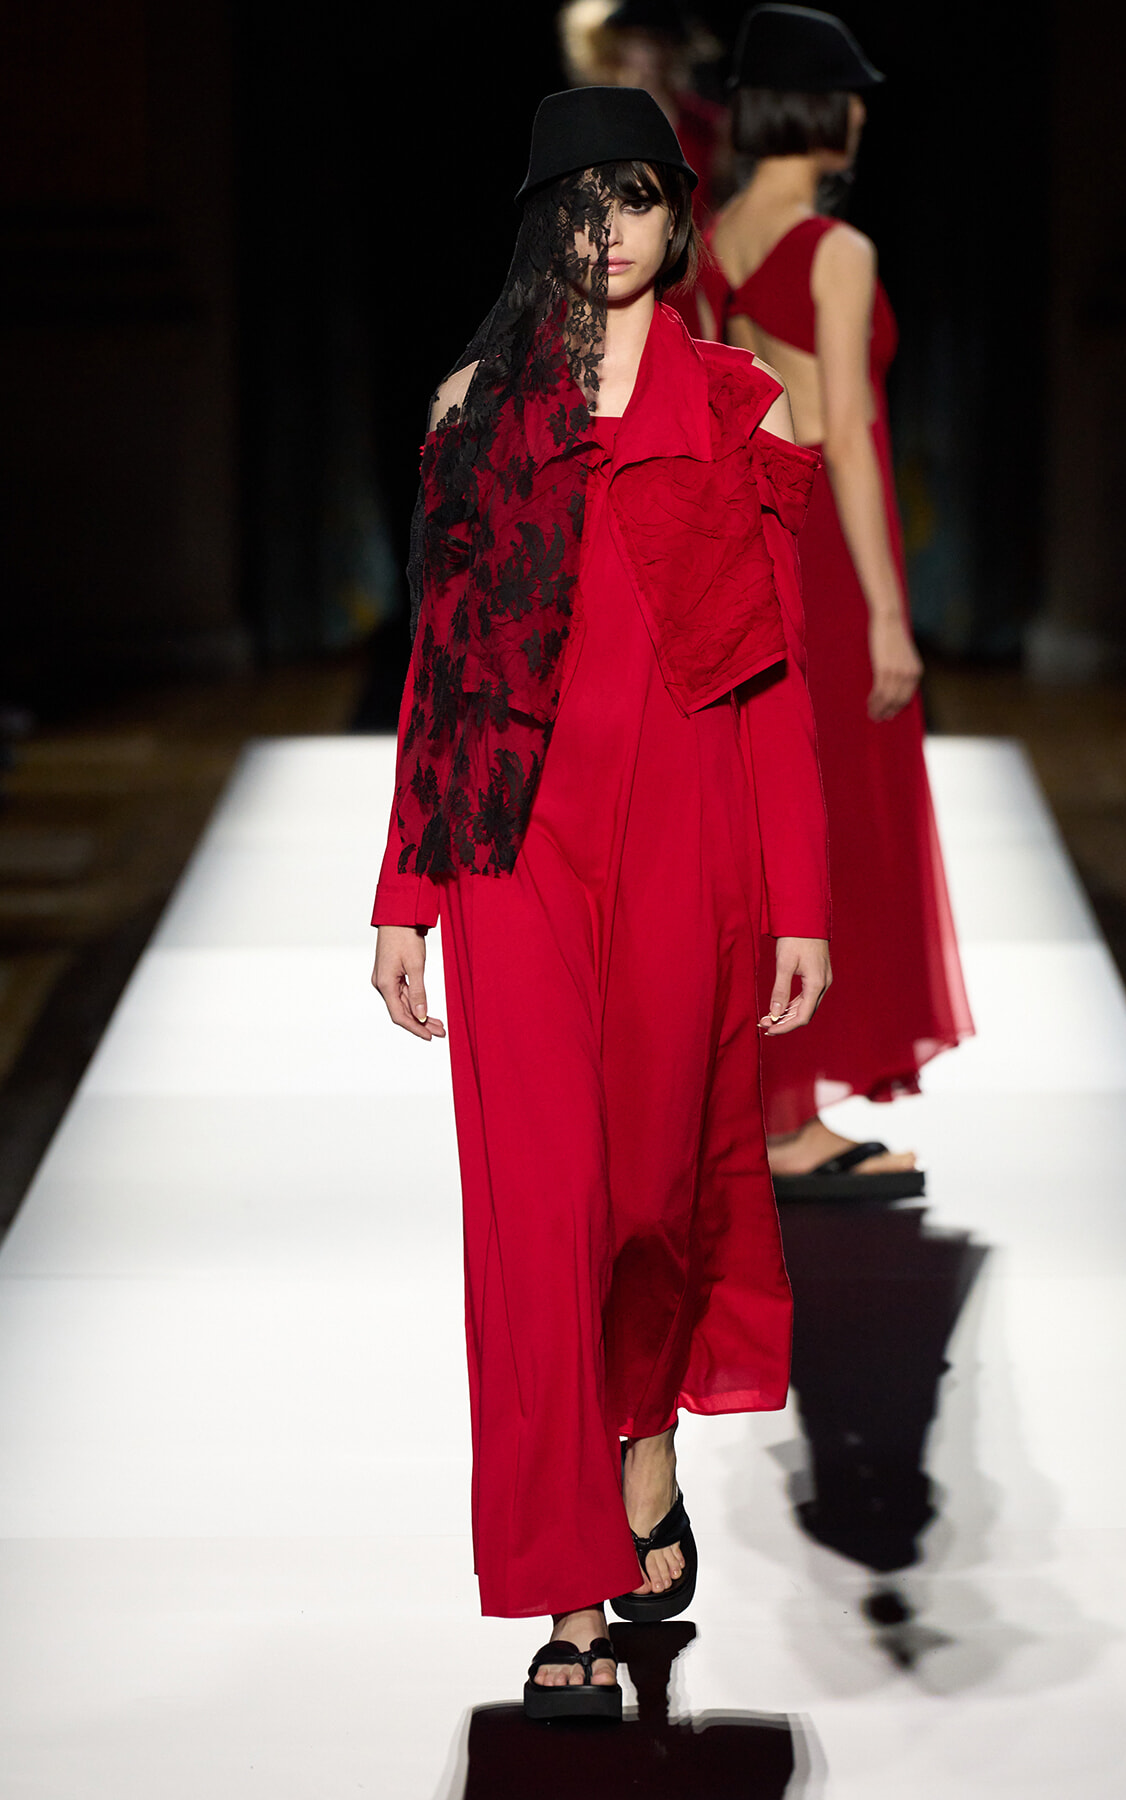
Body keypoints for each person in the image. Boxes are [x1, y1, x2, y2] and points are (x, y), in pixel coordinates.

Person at [371, 86, 830, 1717]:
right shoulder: (475, 414)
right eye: (580, 202)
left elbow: (776, 674)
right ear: (539, 225)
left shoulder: (742, 410)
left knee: (648, 1201)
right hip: (513, 856)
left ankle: (643, 1439)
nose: (610, 230)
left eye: (636, 198)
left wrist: (798, 899)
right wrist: (405, 889)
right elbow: (440, 669)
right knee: (535, 1223)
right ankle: (563, 1587)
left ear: (674, 218)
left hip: (688, 850)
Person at [700, 6, 973, 1200]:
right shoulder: (835, 248)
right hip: (823, 546)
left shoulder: (710, 238)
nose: (863, 111)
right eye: (851, 91)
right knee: (837, 821)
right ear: (820, 108)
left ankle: (762, 1105)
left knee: (768, 826)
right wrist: (886, 613)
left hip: (748, 539)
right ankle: (788, 1124)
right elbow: (849, 437)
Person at [558, 0, 729, 333]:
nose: (645, 55)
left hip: (691, 279)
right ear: (613, 47)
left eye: (654, 41)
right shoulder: (592, 124)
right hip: (617, 271)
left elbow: (720, 208)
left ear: (673, 48)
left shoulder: (708, 126)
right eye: (634, 42)